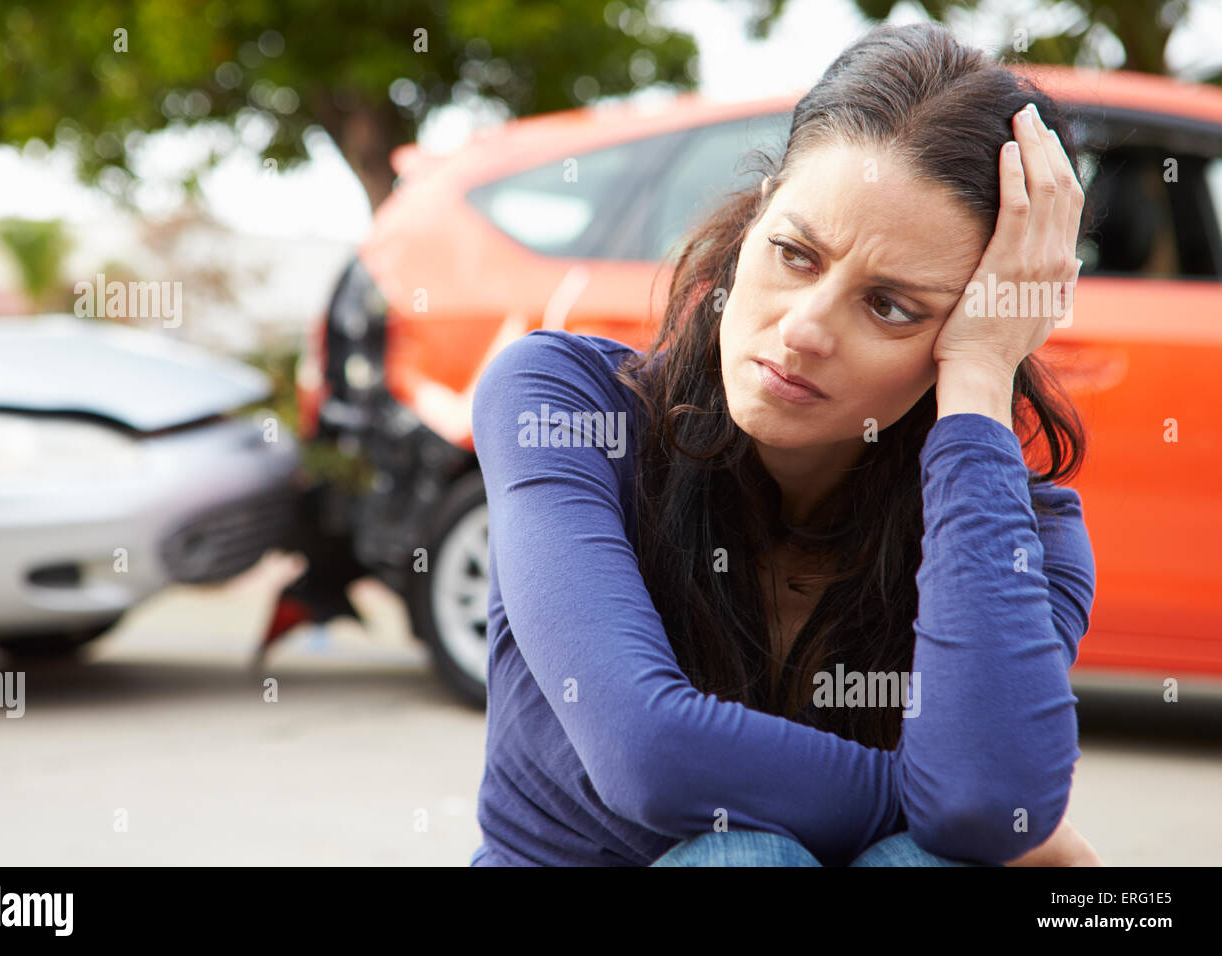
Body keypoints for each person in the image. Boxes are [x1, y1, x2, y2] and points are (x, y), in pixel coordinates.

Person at [467, 21, 1101, 867]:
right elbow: (649, 754)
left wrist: (982, 381)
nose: (803, 330)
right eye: (796, 254)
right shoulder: (568, 406)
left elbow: (988, 805)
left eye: (890, 306)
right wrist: (932, 797)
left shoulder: (1030, 536)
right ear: (755, 215)